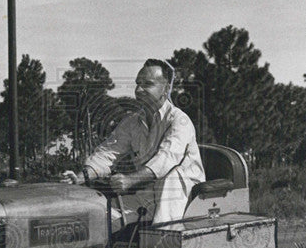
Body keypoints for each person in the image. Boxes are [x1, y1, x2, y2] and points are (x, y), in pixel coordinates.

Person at [61, 58, 205, 224]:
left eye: (147, 84)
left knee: (171, 178)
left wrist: (130, 180)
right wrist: (80, 177)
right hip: (146, 195)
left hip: (183, 198)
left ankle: (164, 242)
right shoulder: (132, 122)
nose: (138, 89)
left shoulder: (180, 121)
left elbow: (166, 160)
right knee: (99, 220)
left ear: (165, 89)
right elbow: (108, 152)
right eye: (138, 83)